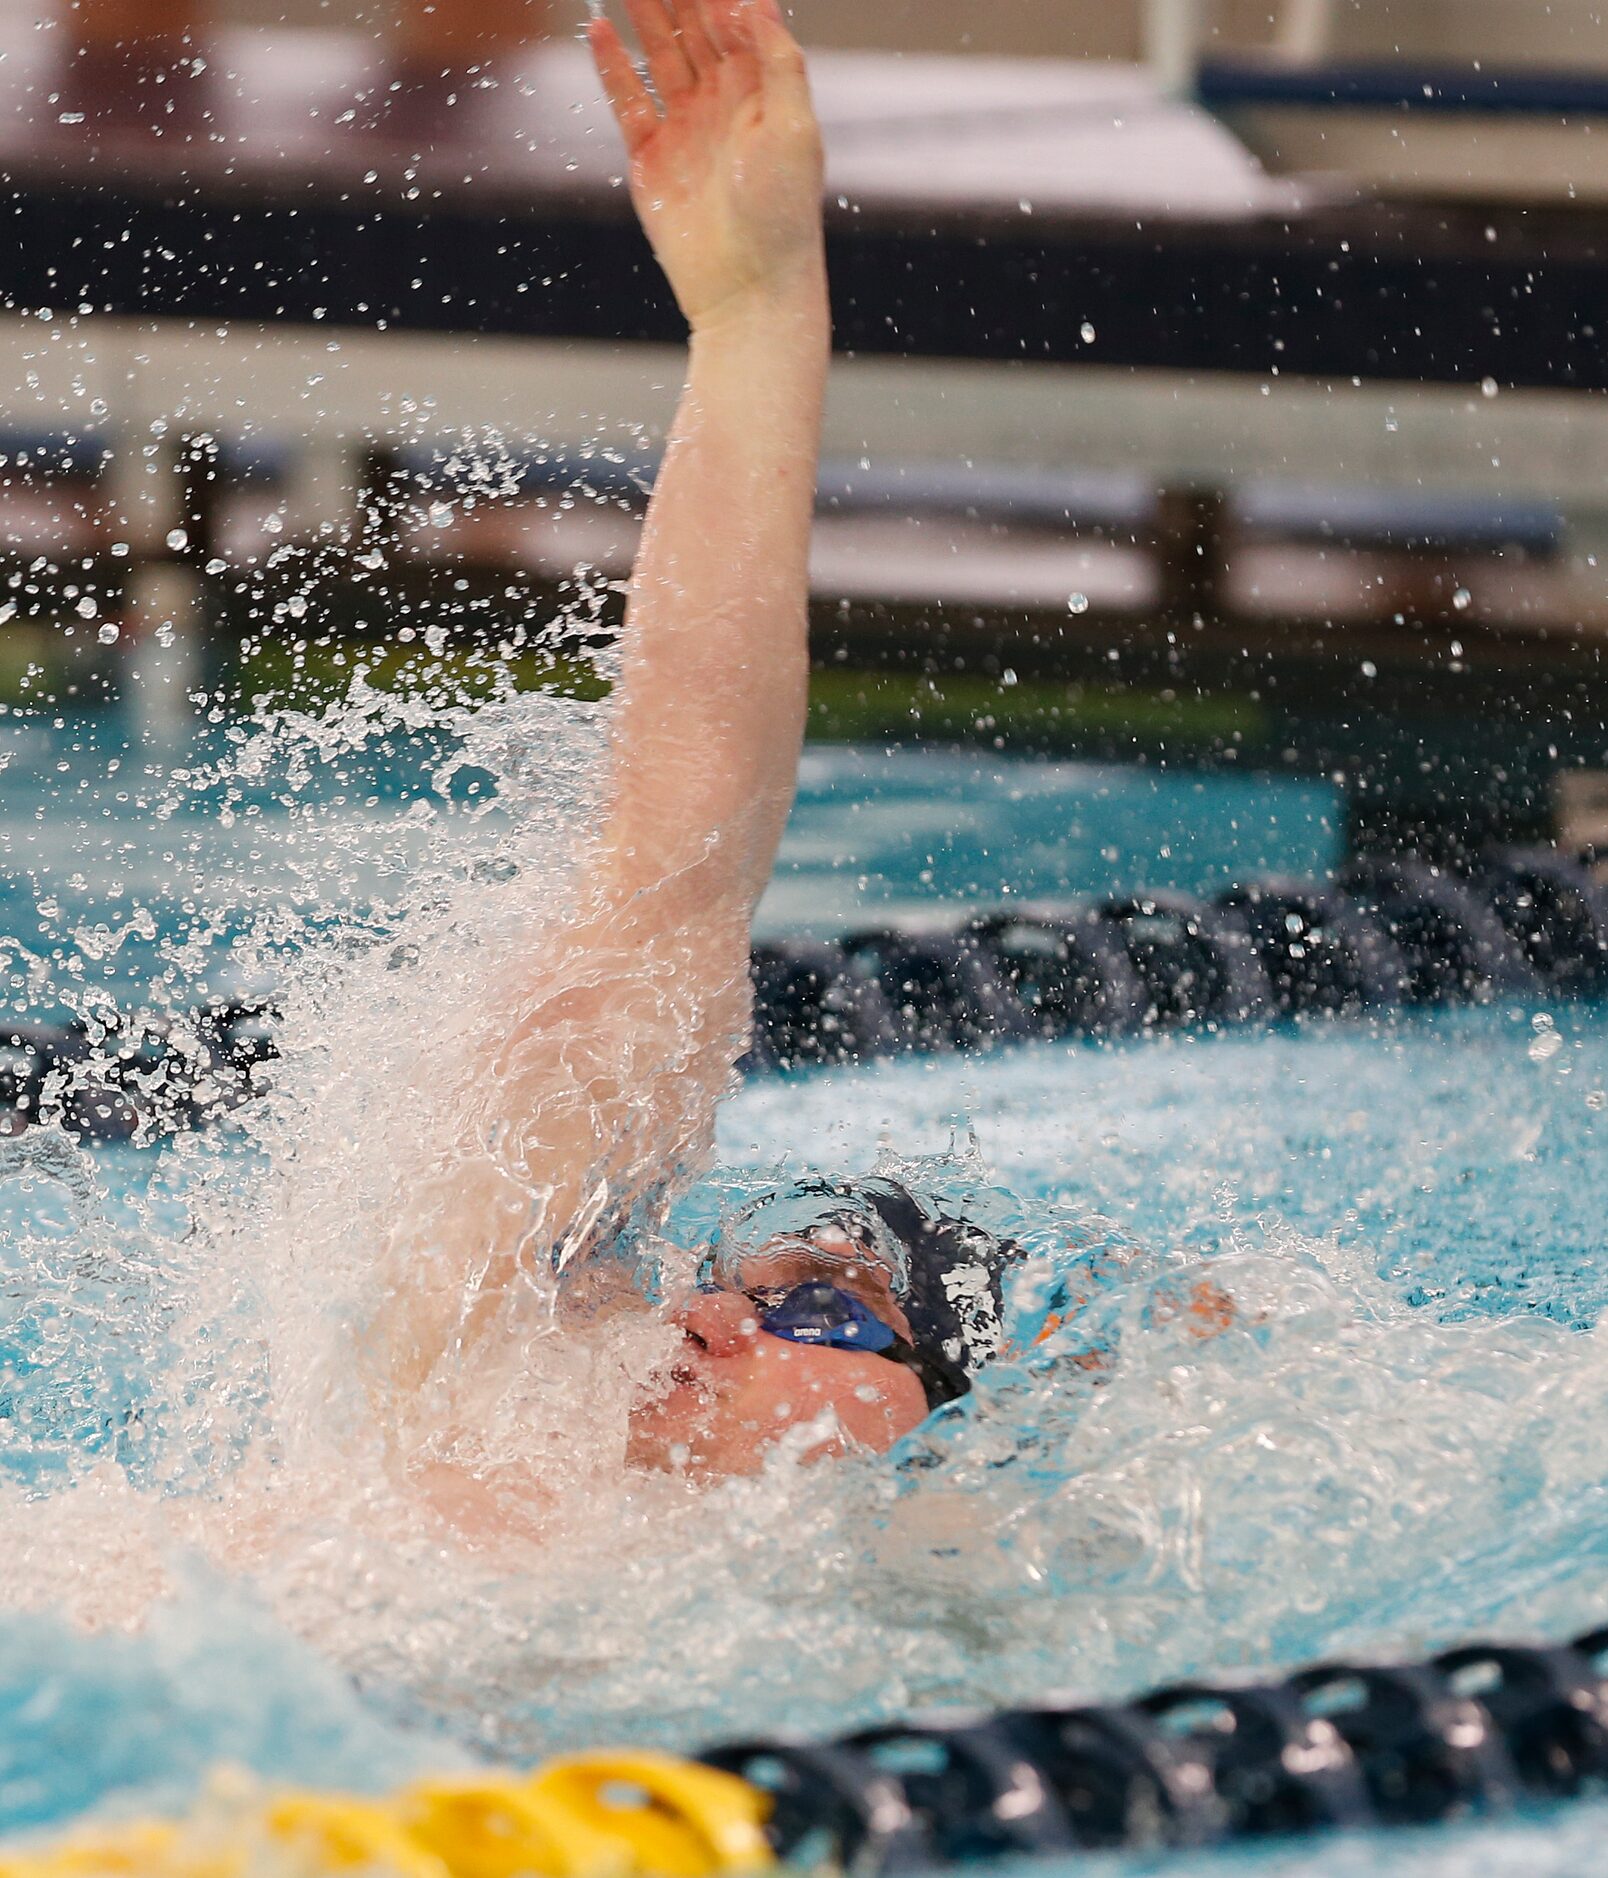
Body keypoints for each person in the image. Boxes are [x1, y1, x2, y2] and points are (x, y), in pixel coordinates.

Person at [362, 0, 992, 1529]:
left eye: (827, 1310)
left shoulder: (937, 1607)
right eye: (730, 1283)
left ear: (969, 1431)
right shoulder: (472, 1420)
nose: (706, 1317)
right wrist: (758, 318)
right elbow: (667, 885)